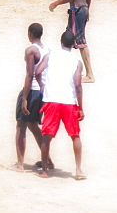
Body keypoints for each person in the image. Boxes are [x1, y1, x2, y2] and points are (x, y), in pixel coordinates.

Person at [34, 30, 86, 180]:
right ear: (74, 44)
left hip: (52, 100)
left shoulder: (50, 56)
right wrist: (80, 106)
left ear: (61, 41)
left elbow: (38, 71)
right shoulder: (76, 62)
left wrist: (42, 86)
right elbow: (77, 85)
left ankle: (44, 170)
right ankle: (78, 169)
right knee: (75, 135)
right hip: (69, 102)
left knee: (47, 136)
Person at [10, 23, 53, 173]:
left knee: (21, 126)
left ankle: (20, 164)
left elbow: (30, 74)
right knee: (33, 125)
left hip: (33, 90)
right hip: (43, 91)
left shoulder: (31, 50)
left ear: (29, 33)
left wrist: (24, 98)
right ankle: (48, 160)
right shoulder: (47, 49)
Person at [48, 0, 95, 83]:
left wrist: (56, 3)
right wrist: (87, 9)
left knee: (80, 41)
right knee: (68, 38)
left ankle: (90, 74)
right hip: (83, 8)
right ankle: (65, 68)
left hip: (76, 10)